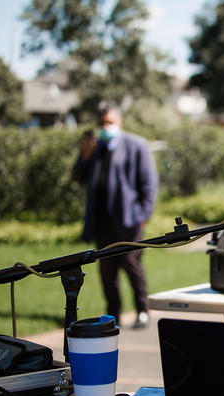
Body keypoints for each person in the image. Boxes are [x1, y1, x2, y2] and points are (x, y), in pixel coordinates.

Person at [72, 104, 159, 329]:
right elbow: (79, 177)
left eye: (109, 122)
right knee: (107, 271)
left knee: (132, 264)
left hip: (129, 221)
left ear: (119, 121)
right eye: (102, 123)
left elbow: (149, 183)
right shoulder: (96, 148)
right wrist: (84, 156)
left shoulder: (135, 145)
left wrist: (143, 215)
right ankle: (113, 316)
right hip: (102, 222)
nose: (105, 127)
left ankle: (142, 310)